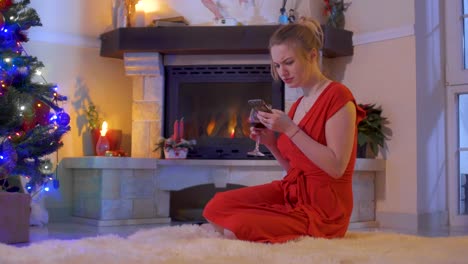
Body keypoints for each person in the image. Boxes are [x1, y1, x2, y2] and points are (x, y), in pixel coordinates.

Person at [202, 17, 365, 243]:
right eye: (277, 65)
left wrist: (290, 130)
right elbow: (295, 170)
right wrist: (271, 143)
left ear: (312, 56)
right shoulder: (299, 105)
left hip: (324, 210)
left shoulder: (338, 96)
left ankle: (267, 226)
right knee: (216, 206)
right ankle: (268, 224)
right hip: (293, 192)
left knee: (236, 228)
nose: (282, 72)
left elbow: (336, 167)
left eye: (288, 62)